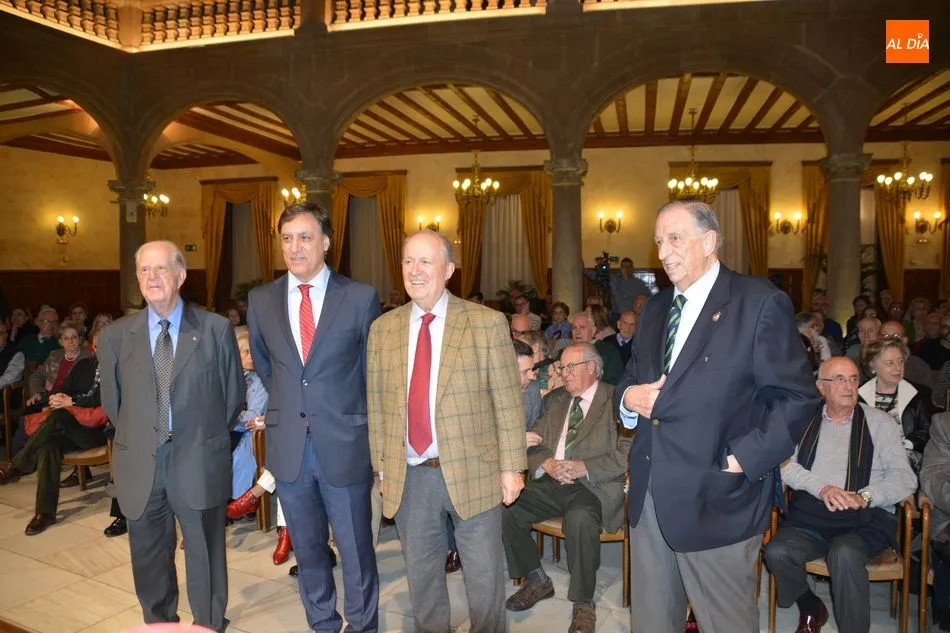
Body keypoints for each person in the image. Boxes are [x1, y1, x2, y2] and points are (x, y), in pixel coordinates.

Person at [615, 200, 819, 633]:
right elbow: (630, 377)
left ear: (709, 241)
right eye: (658, 241)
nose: (663, 252)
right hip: (650, 496)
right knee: (652, 623)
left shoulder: (758, 302)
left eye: (675, 239)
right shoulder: (655, 308)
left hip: (717, 496)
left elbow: (797, 397)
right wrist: (629, 397)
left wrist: (744, 459)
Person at [367, 230, 526, 633]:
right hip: (410, 476)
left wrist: (512, 467)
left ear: (449, 270)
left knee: (484, 580)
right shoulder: (383, 330)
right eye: (408, 261)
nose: (415, 270)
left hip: (475, 472)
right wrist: (382, 468)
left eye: (425, 261)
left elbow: (507, 401)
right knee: (422, 582)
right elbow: (378, 405)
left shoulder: (486, 323)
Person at [246, 202, 381, 633]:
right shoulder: (261, 300)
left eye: (305, 237)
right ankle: (322, 623)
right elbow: (268, 368)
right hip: (289, 449)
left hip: (344, 444)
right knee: (307, 553)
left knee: (356, 552)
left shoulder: (359, 297)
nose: (295, 247)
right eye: (287, 239)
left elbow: (371, 374)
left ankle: (362, 627)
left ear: (325, 242)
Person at [98, 240, 244, 633]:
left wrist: (196, 433)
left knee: (204, 552)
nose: (152, 277)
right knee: (148, 554)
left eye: (160, 268)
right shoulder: (114, 336)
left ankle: (208, 624)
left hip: (197, 456)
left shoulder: (214, 329)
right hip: (141, 460)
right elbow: (114, 404)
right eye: (144, 270)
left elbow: (232, 397)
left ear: (180, 276)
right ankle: (160, 624)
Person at [763, 356, 916, 633]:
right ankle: (811, 606)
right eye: (839, 379)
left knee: (844, 554)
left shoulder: (880, 423)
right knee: (777, 552)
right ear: (821, 387)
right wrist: (822, 488)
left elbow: (905, 478)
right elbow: (784, 466)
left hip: (863, 519)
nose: (849, 386)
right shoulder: (803, 420)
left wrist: (864, 496)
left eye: (854, 379)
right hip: (811, 515)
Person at [504, 343, 630, 633]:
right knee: (507, 506)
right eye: (562, 368)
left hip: (593, 486)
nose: (563, 373)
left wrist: (584, 467)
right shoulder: (555, 399)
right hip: (552, 479)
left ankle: (583, 602)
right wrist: (547, 464)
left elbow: (627, 453)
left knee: (580, 518)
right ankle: (537, 579)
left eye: (570, 367)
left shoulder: (616, 400)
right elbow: (533, 443)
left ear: (591, 367)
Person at [0, 329, 108, 534]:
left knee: (59, 416)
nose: (103, 349)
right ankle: (45, 513)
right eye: (98, 345)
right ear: (93, 348)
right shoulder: (84, 365)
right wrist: (52, 398)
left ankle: (17, 465)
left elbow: (108, 400)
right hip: (74, 426)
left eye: (108, 344)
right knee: (48, 447)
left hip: (98, 432)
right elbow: (63, 389)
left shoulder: (121, 370)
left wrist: (73, 401)